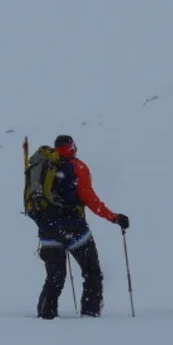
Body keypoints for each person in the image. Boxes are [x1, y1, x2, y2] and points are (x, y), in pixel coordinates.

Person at [32, 135, 129, 319]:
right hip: (74, 228)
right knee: (92, 271)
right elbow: (90, 199)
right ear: (71, 147)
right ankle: (90, 313)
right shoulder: (77, 167)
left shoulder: (44, 167)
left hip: (48, 229)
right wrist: (114, 217)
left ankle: (46, 314)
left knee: (55, 277)